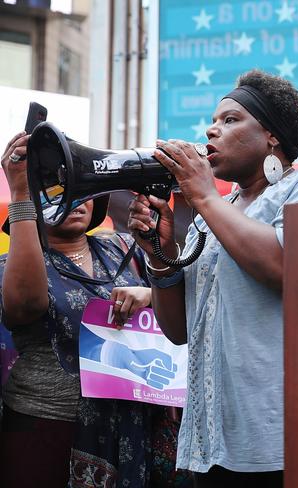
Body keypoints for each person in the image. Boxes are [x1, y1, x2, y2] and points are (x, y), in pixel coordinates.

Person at [127, 69, 298, 486]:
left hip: (282, 443)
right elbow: (178, 330)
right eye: (212, 121)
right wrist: (158, 254)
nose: (212, 129)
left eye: (231, 120)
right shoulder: (209, 218)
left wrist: (204, 196)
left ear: (272, 136)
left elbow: (285, 267)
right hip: (211, 445)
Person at [0, 131, 167, 487]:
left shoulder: (124, 249)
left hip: (127, 428)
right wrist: (20, 193)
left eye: (82, 189)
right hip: (46, 428)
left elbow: (178, 295)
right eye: (59, 188)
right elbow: (27, 304)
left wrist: (149, 295)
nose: (75, 199)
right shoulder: (9, 265)